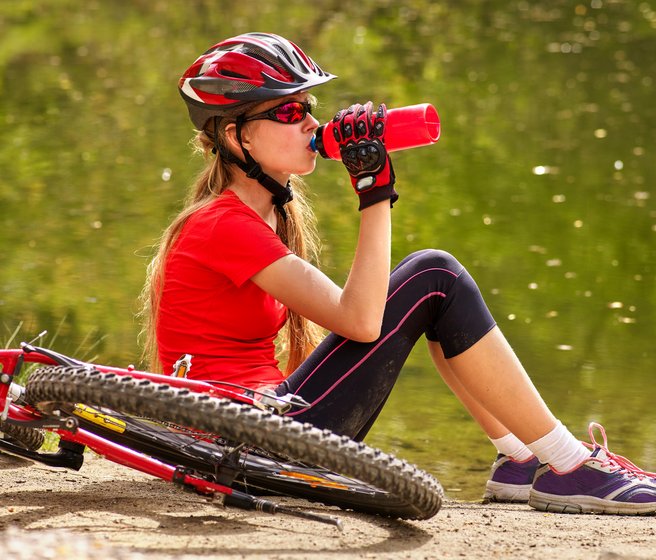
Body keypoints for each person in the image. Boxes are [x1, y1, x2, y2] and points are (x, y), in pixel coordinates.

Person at [140, 32, 656, 515]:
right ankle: (567, 463)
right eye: (290, 111)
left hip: (261, 429)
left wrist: (373, 188)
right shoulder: (221, 225)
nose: (311, 125)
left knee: (433, 289)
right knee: (434, 276)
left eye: (310, 110)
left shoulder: (265, 215)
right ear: (237, 137)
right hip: (240, 443)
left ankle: (519, 457)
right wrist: (374, 194)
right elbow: (361, 322)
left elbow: (339, 333)